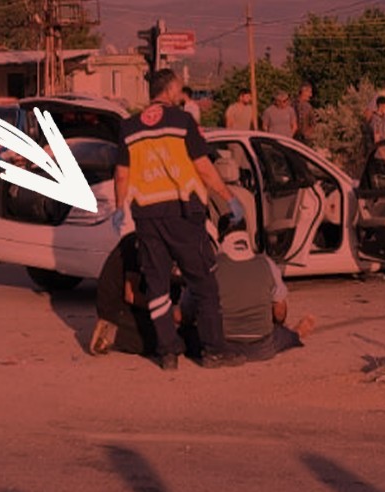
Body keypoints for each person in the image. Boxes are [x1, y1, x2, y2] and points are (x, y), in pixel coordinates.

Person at [114, 69, 247, 371]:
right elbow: (202, 166)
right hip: (182, 213)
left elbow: (122, 173)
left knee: (157, 284)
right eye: (179, 89)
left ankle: (168, 352)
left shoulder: (129, 127)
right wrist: (228, 197)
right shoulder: (183, 122)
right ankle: (213, 350)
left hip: (146, 215)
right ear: (172, 89)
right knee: (203, 283)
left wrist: (120, 207)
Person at [178, 227, 314, 362]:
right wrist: (277, 324)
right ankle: (297, 333)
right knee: (281, 335)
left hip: (221, 345)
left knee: (185, 334)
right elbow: (280, 310)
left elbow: (184, 315)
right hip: (262, 348)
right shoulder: (266, 263)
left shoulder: (211, 268)